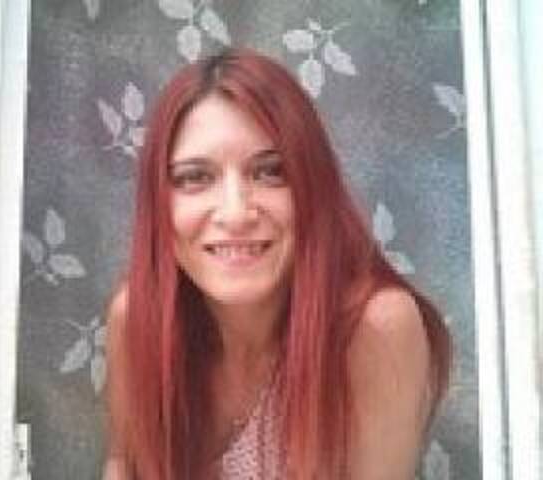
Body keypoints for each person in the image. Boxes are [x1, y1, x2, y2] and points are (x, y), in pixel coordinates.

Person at [103, 48, 451, 479]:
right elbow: (124, 464)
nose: (235, 213)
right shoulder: (137, 317)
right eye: (195, 177)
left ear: (314, 188)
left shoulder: (373, 326)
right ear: (158, 205)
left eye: (270, 172)